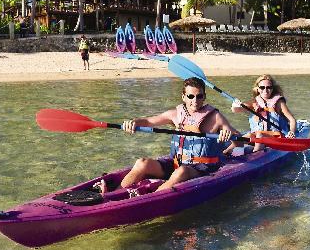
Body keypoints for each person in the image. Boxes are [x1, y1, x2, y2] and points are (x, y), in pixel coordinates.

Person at [98, 77, 242, 194]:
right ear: (183, 96)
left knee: (181, 172)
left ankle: (147, 200)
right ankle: (111, 195)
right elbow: (148, 121)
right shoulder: (175, 115)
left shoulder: (215, 117)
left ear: (204, 97)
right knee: (142, 163)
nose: (195, 101)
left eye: (199, 96)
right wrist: (133, 123)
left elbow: (239, 141)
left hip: (201, 170)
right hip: (176, 164)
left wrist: (228, 136)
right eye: (191, 96)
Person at [231, 74, 296, 153]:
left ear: (272, 89)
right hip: (258, 135)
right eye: (262, 87)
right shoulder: (254, 103)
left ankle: (255, 156)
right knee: (243, 137)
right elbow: (236, 110)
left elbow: (292, 120)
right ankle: (226, 153)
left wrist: (291, 132)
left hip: (277, 136)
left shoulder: (279, 103)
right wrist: (235, 104)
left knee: (259, 134)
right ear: (258, 89)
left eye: (269, 87)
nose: (265, 90)